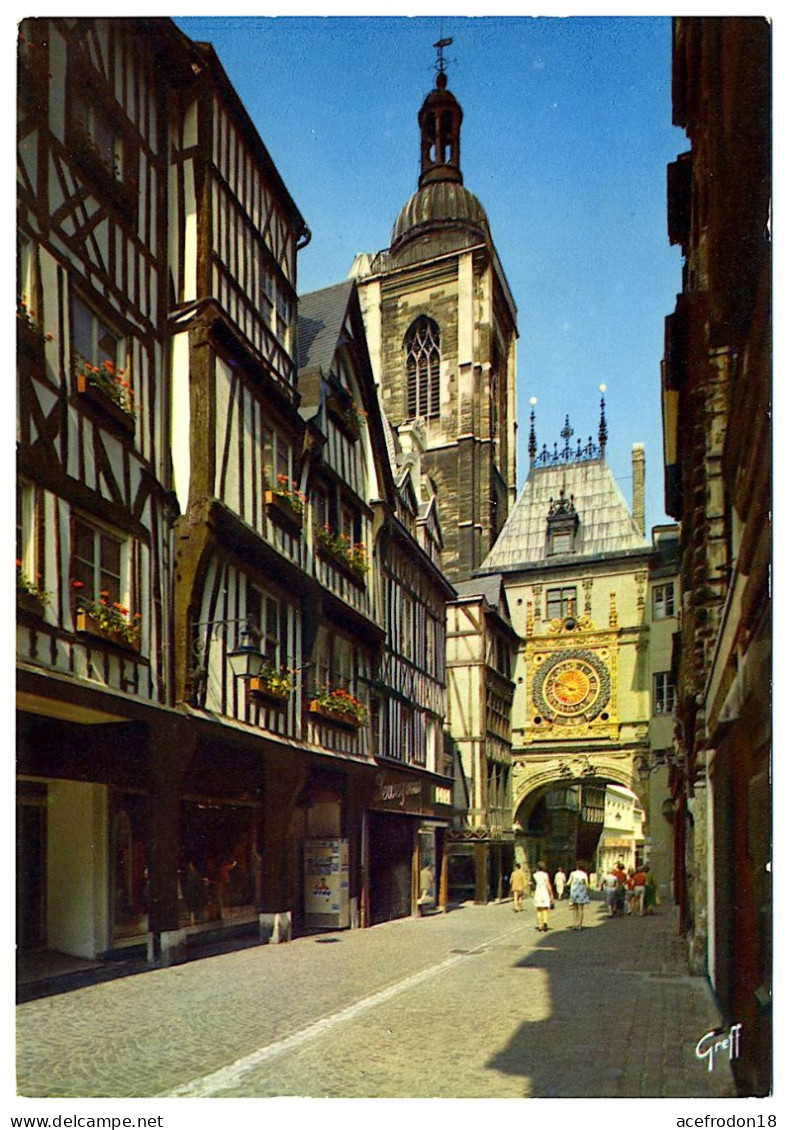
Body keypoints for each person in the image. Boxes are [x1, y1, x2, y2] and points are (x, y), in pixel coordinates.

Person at [567, 859, 590, 929]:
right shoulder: (584, 874)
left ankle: (574, 924)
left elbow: (568, 883)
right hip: (582, 893)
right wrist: (587, 891)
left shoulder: (572, 873)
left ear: (576, 866)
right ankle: (579, 925)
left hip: (574, 892)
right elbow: (587, 884)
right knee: (581, 909)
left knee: (574, 909)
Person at [532, 860, 554, 932]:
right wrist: (551, 894)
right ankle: (545, 922)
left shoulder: (535, 875)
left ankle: (540, 925)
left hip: (538, 892)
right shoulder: (545, 875)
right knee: (545, 909)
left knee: (539, 910)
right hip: (544, 892)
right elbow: (548, 884)